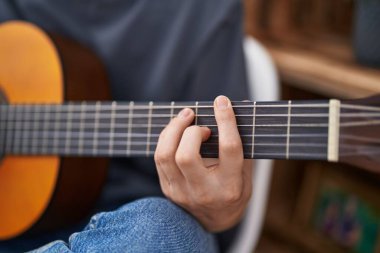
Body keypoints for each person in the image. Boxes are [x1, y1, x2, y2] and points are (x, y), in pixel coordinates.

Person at [0, 0, 252, 252]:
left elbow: (224, 197)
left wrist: (219, 211)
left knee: (163, 230)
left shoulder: (206, 9)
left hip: (132, 233)